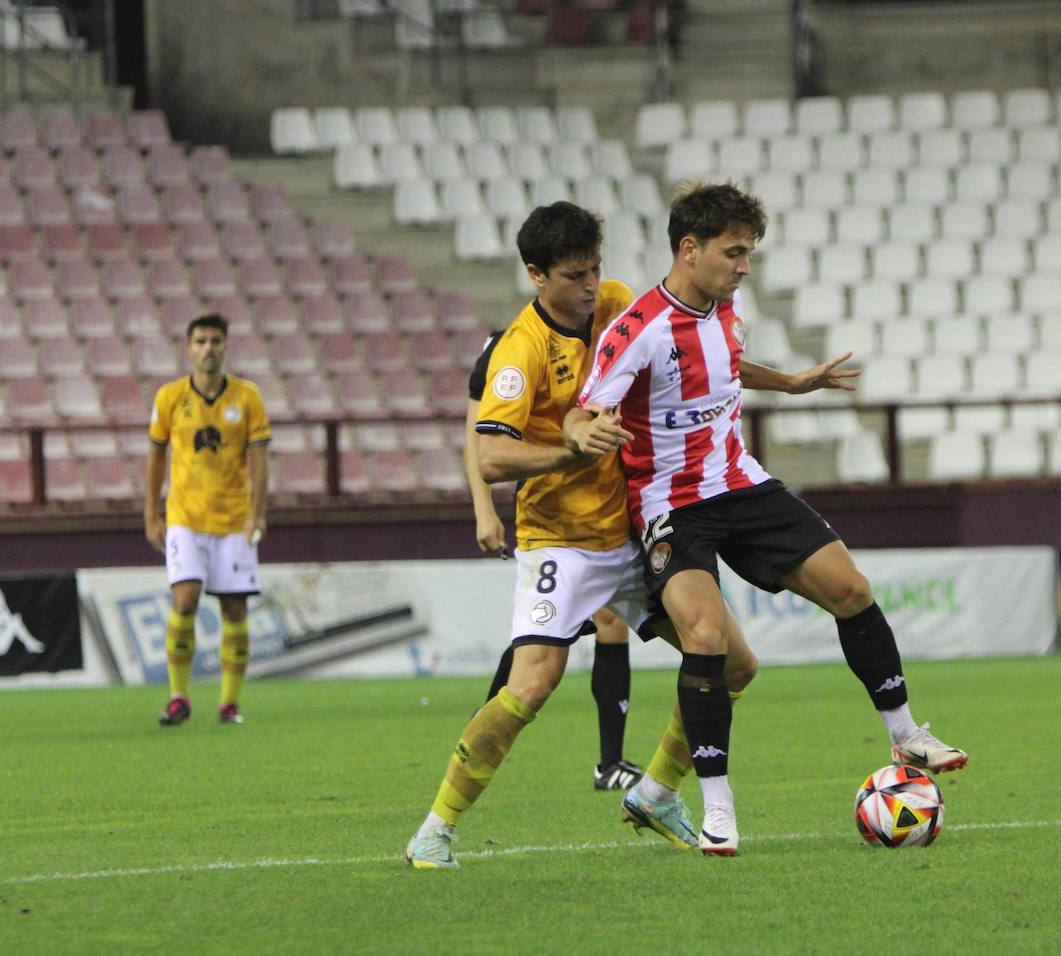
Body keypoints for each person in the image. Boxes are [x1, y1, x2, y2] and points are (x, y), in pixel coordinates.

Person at [405, 201, 843, 868]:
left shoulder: (617, 305)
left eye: (595, 270)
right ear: (536, 275)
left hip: (636, 528)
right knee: (531, 686)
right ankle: (435, 827)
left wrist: (788, 383)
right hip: (561, 540)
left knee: (734, 663)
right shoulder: (520, 351)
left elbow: (701, 361)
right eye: (574, 275)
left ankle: (658, 791)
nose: (590, 286)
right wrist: (568, 449)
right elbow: (492, 456)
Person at [566, 181, 967, 857]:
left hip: (740, 482)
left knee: (852, 590)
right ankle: (717, 807)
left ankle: (904, 732)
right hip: (671, 502)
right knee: (705, 634)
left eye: (749, 253)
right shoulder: (635, 331)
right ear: (689, 250)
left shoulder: (726, 302)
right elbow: (584, 408)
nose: (745, 266)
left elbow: (722, 365)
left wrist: (791, 382)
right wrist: (584, 434)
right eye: (735, 252)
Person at [463, 327, 643, 791]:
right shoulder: (509, 345)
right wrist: (484, 509)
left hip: (602, 506)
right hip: (548, 511)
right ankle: (481, 736)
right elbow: (478, 431)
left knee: (609, 622)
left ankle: (610, 763)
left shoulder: (604, 330)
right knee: (537, 651)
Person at [145, 313, 271, 726]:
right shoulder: (169, 398)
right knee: (185, 597)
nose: (208, 348)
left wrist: (257, 514)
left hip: (234, 518)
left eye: (216, 340)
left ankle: (229, 703)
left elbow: (259, 460)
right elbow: (155, 456)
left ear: (225, 346)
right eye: (200, 340)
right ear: (189, 347)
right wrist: (152, 512)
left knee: (234, 608)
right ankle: (179, 696)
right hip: (185, 515)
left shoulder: (247, 397)